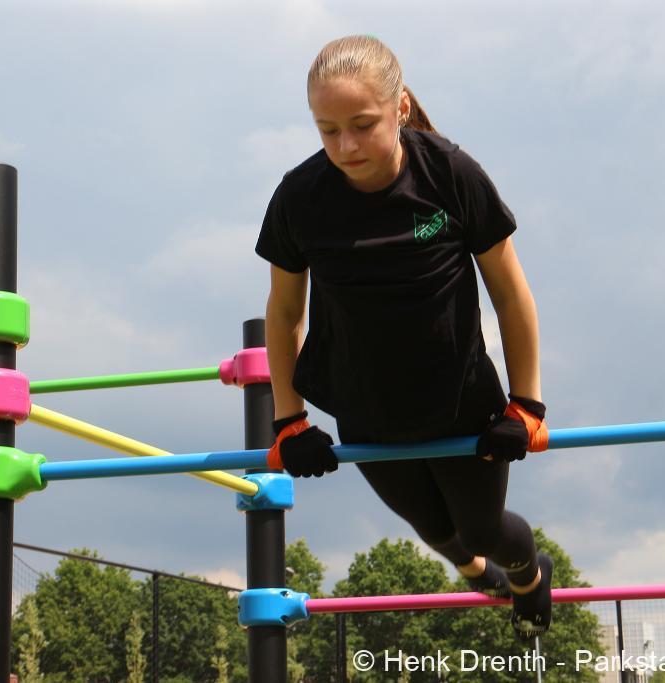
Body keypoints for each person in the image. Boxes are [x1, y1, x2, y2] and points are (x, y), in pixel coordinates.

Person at [255, 34, 552, 639]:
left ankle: (527, 576)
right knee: (434, 530)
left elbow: (511, 293)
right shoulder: (299, 197)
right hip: (365, 409)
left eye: (363, 125)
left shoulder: (450, 174)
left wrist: (526, 404)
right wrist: (289, 420)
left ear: (401, 108)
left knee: (480, 529)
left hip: (461, 403)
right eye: (327, 130)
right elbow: (284, 314)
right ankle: (477, 574)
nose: (346, 146)